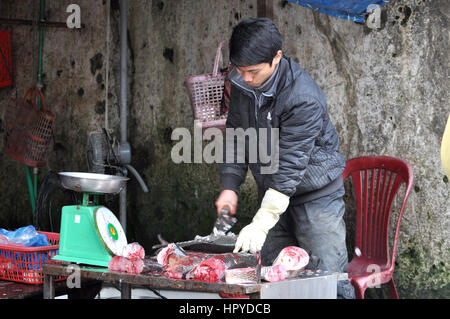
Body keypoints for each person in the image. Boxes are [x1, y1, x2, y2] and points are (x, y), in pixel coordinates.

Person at [215, 17, 354, 298]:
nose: (247, 78)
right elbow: (235, 137)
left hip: (316, 198)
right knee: (271, 282)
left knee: (328, 283)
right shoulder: (241, 84)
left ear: (276, 57)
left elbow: (290, 166)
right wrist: (229, 185)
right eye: (241, 71)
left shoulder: (302, 98)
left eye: (253, 71)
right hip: (273, 194)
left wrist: (262, 220)